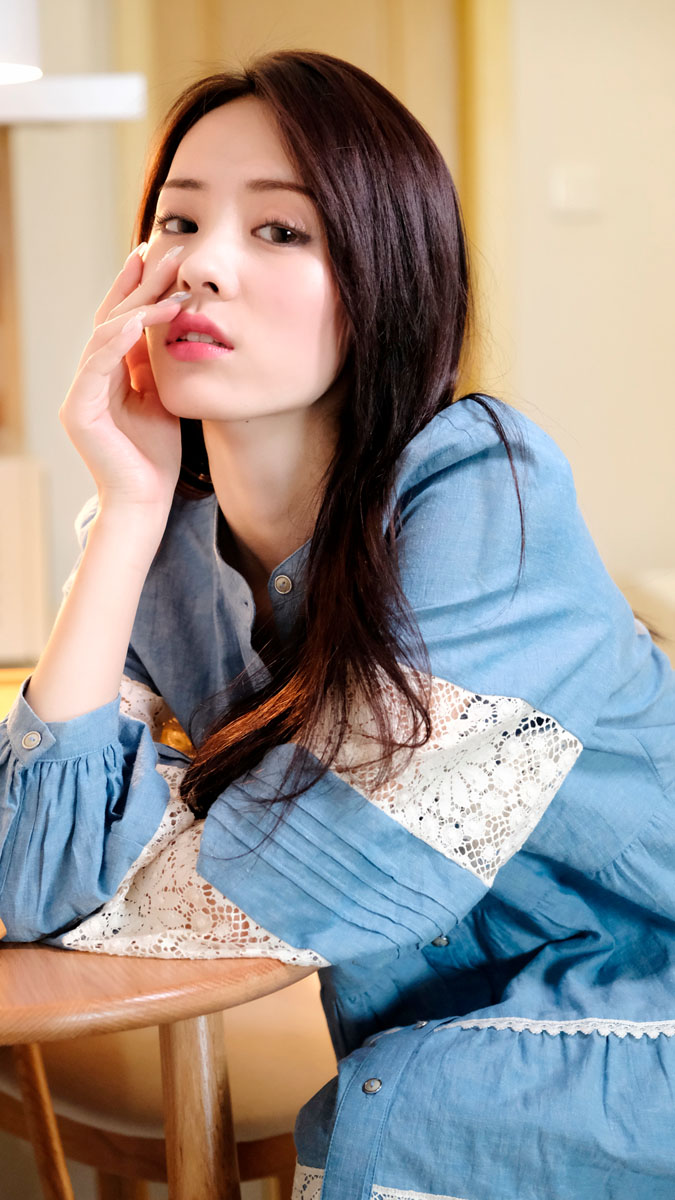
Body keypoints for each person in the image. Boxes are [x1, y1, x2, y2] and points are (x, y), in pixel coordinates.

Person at [1, 47, 674, 1200]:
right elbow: (27, 873)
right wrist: (124, 508)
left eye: (280, 230)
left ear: (383, 280)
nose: (200, 265)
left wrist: (140, 850)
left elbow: (337, 869)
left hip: (632, 1028)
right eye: (176, 221)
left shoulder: (486, 490)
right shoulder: (160, 549)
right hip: (435, 1059)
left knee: (424, 1112)